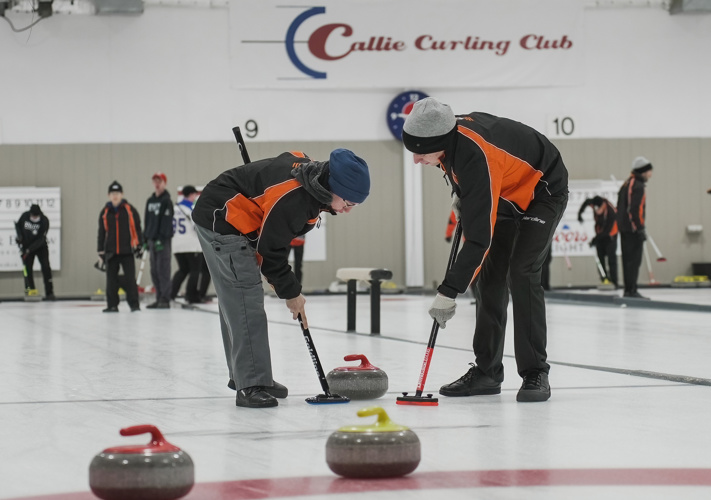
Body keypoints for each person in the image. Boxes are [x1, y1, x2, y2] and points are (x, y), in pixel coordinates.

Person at [402, 97, 568, 403]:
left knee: (521, 272)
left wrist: (448, 292)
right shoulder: (447, 138)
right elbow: (463, 174)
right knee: (489, 280)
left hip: (542, 189)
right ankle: (487, 372)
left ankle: (535, 372)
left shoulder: (475, 155)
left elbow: (479, 239)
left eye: (421, 153)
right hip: (506, 190)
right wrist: (460, 193)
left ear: (439, 141)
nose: (416, 160)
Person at [192, 148, 370, 408]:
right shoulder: (294, 198)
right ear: (333, 187)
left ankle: (250, 374)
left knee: (237, 300)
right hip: (223, 219)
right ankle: (250, 383)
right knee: (244, 299)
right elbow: (271, 252)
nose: (347, 210)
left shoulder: (312, 177)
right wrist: (292, 294)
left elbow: (291, 155)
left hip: (228, 213)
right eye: (348, 202)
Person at [97, 181, 143, 313]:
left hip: (127, 250)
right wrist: (100, 251)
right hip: (111, 251)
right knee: (111, 280)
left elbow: (137, 228)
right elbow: (101, 232)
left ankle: (134, 305)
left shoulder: (130, 210)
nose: (115, 196)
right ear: (108, 195)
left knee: (130, 280)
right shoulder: (105, 212)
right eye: (112, 193)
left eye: (117, 193)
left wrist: (139, 245)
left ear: (122, 194)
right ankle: (112, 305)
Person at [617, 157, 653, 299]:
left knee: (628, 261)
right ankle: (631, 290)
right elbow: (634, 210)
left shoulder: (627, 183)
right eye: (649, 170)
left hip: (625, 229)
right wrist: (639, 228)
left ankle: (629, 290)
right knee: (633, 261)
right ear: (643, 171)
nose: (650, 173)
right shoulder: (637, 185)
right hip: (631, 230)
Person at [144, 172, 174, 309]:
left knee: (163, 269)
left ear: (164, 183)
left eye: (159, 181)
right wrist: (145, 238)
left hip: (162, 241)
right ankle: (158, 297)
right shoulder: (150, 201)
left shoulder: (166, 201)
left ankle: (165, 298)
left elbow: (167, 222)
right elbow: (147, 220)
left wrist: (161, 238)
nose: (157, 184)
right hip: (151, 240)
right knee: (154, 270)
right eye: (155, 181)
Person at [15, 204, 55, 300]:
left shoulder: (44, 221)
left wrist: (30, 249)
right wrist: (20, 238)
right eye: (32, 216)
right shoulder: (24, 216)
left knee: (46, 268)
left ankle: (49, 293)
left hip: (40, 247)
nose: (33, 218)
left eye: (35, 216)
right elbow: (18, 227)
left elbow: (41, 239)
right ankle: (30, 290)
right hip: (26, 246)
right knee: (27, 270)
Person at [171, 185, 203, 304]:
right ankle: (191, 295)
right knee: (195, 270)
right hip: (191, 245)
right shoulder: (191, 208)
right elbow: (196, 226)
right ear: (191, 195)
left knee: (183, 270)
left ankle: (171, 293)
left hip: (177, 245)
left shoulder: (175, 208)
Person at [578, 195, 618, 287]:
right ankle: (604, 279)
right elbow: (586, 202)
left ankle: (614, 281)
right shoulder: (595, 202)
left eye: (598, 209)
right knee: (600, 258)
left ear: (603, 206)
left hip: (610, 236)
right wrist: (580, 214)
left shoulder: (611, 212)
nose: (597, 211)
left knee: (611, 259)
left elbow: (607, 231)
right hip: (600, 233)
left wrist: (595, 240)